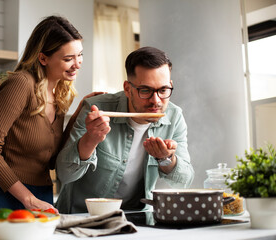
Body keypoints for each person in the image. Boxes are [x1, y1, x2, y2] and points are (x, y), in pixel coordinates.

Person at [0, 15, 101, 219]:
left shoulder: (60, 92)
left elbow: (53, 160)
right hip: (4, 195)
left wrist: (80, 111)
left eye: (80, 55)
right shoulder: (21, 84)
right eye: (68, 59)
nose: (77, 64)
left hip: (42, 193)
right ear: (43, 58)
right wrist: (28, 199)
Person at [55, 47, 195, 213]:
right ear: (128, 89)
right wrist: (90, 140)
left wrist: (166, 158)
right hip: (82, 216)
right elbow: (64, 175)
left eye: (163, 90)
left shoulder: (174, 116)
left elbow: (185, 181)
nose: (156, 100)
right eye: (145, 90)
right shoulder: (97, 109)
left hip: (136, 218)